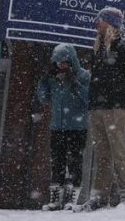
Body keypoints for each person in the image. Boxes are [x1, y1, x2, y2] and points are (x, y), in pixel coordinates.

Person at [84, 7, 125, 210]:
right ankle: (99, 195)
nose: (97, 23)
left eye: (100, 20)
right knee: (102, 152)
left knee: (118, 151)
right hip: (98, 106)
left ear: (110, 23)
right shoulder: (99, 47)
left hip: (116, 106)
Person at [35, 44, 91, 211]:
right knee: (57, 162)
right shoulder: (54, 78)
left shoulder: (83, 76)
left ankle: (72, 197)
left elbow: (89, 100)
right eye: (58, 63)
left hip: (77, 127)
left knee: (74, 162)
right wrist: (43, 80)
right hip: (57, 126)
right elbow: (44, 99)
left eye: (65, 62)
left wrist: (75, 84)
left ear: (72, 61)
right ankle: (56, 198)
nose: (61, 66)